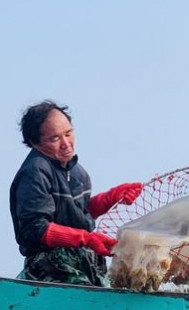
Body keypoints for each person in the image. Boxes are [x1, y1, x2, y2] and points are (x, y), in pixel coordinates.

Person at [9, 100, 142, 287]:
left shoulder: (79, 173)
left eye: (68, 133)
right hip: (51, 265)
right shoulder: (35, 172)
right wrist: (86, 238)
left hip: (85, 260)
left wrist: (111, 198)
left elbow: (78, 213)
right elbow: (36, 229)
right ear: (34, 142)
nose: (66, 144)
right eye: (55, 139)